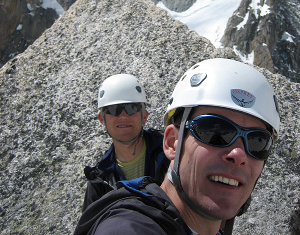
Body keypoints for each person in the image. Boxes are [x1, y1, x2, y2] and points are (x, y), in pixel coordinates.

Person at [74, 59, 280, 235]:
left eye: (257, 142)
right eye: (214, 132)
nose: (239, 154)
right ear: (172, 142)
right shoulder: (128, 227)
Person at [81, 73, 169, 211]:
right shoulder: (99, 181)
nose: (123, 116)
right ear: (102, 119)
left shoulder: (171, 152)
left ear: (144, 116)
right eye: (113, 109)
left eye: (131, 108)